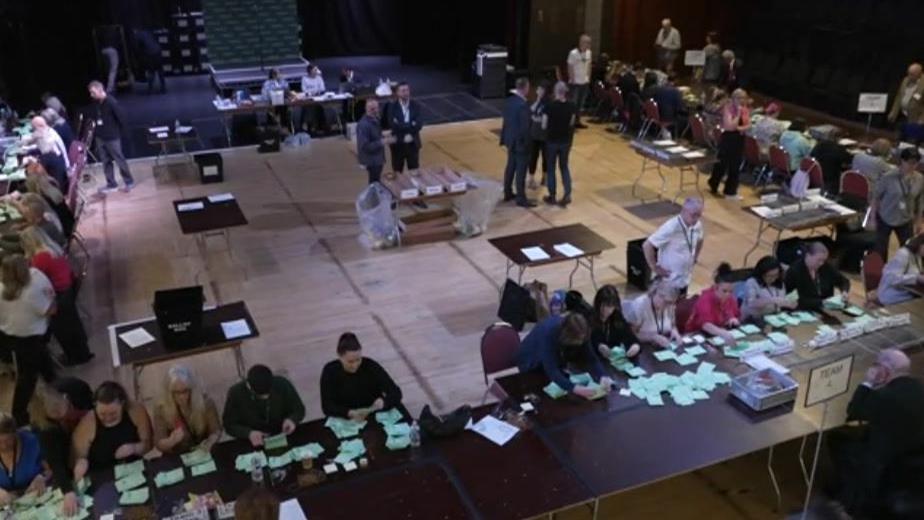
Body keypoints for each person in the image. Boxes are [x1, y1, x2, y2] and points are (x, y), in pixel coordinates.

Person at [827, 349, 924, 514]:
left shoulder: (884, 397)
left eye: (876, 366)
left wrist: (867, 383)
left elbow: (854, 412)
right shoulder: (919, 388)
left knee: (836, 438)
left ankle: (848, 494)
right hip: (916, 456)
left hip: (886, 460)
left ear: (884, 371)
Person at [20, 227, 92, 366]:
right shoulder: (52, 248)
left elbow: (33, 278)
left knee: (59, 327)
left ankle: (74, 357)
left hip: (60, 295)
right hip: (68, 288)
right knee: (72, 324)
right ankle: (82, 353)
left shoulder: (41, 257)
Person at [0, 255, 56, 425]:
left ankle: (53, 381)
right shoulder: (31, 290)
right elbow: (51, 311)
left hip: (9, 336)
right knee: (27, 379)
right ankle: (19, 415)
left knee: (38, 364)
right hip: (31, 338)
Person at [28, 377, 91, 517]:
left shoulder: (77, 388)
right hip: (67, 456)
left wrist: (85, 457)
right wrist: (68, 492)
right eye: (59, 417)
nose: (67, 415)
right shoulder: (44, 428)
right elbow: (56, 462)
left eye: (68, 408)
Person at [517, 313, 613, 398]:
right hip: (530, 362)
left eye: (582, 339)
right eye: (577, 340)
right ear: (567, 335)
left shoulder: (582, 332)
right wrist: (574, 388)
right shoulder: (548, 333)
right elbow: (552, 370)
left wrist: (603, 375)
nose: (580, 343)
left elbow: (591, 357)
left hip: (553, 358)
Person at [72, 381, 152, 477]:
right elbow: (77, 457)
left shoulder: (136, 411)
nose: (108, 418)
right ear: (95, 406)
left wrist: (135, 448)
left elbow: (149, 444)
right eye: (102, 414)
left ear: (122, 404)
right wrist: (80, 464)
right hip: (101, 474)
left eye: (113, 413)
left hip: (133, 469)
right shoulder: (87, 424)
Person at [320, 332, 405, 421]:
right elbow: (327, 406)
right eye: (350, 362)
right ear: (340, 356)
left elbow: (396, 392)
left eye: (358, 360)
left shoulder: (371, 366)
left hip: (372, 416)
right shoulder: (330, 371)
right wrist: (348, 412)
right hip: (346, 418)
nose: (355, 365)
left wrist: (384, 402)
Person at [223, 365, 305, 447]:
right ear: (249, 386)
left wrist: (292, 420)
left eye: (268, 394)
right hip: (252, 441)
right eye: (260, 396)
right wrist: (248, 433)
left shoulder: (282, 384)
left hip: (282, 434)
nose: (266, 398)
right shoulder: (236, 393)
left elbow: (299, 409)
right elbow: (229, 425)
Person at [152, 365, 221, 455]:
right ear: (169, 393)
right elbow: (159, 443)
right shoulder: (161, 408)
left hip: (203, 451)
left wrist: (210, 442)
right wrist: (171, 441)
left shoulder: (206, 402)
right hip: (176, 455)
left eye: (185, 391)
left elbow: (216, 430)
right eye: (176, 392)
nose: (182, 397)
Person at [870, 147, 924, 260]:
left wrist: (919, 221)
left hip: (906, 219)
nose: (912, 166)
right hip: (886, 217)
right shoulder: (888, 177)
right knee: (880, 249)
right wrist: (873, 218)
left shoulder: (920, 179)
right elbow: (875, 197)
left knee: (908, 249)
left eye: (915, 163)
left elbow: (920, 201)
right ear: (902, 161)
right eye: (909, 163)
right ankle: (881, 272)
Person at [643, 197, 704, 294]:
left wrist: (695, 257)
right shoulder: (671, 227)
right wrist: (654, 267)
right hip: (669, 281)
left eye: (699, 215)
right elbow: (647, 245)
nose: (696, 219)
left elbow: (700, 239)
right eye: (693, 215)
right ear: (684, 210)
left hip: (684, 279)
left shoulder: (697, 225)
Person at [88, 81, 134, 194]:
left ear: (100, 90)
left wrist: (125, 135)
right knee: (105, 162)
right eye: (90, 93)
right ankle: (111, 183)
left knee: (119, 160)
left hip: (112, 138)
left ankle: (129, 181)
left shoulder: (111, 102)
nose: (91, 95)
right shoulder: (97, 102)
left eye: (93, 92)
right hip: (100, 137)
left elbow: (121, 119)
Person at [708, 88, 750, 199]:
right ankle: (714, 183)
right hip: (728, 138)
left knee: (735, 166)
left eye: (744, 98)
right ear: (734, 98)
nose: (743, 100)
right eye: (740, 98)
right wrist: (738, 114)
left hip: (739, 139)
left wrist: (738, 127)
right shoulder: (728, 108)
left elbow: (748, 125)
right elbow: (728, 126)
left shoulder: (745, 109)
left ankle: (730, 191)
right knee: (722, 163)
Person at [685, 263, 742, 345]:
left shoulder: (731, 299)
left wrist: (733, 319)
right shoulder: (705, 299)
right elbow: (706, 325)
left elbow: (735, 314)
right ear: (716, 287)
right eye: (724, 291)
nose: (728, 295)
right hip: (698, 335)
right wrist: (723, 333)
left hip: (717, 337)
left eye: (731, 291)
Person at [784, 241, 850, 311]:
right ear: (808, 255)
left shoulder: (825, 267)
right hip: (805, 310)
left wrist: (844, 291)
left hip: (828, 308)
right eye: (818, 260)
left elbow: (843, 281)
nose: (821, 263)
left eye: (823, 260)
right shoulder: (794, 271)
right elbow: (793, 299)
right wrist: (821, 302)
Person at [542, 81, 577, 207]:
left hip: (552, 141)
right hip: (565, 141)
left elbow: (544, 125)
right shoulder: (572, 106)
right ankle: (567, 194)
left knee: (551, 168)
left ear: (555, 91)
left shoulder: (549, 106)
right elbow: (572, 123)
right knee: (564, 167)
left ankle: (552, 195)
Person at [500, 77, 535, 207]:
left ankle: (507, 192)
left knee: (510, 167)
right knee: (521, 170)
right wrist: (528, 144)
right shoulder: (523, 106)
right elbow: (525, 129)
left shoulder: (509, 101)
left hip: (510, 140)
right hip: (521, 143)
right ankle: (521, 197)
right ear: (525, 88)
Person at [0, 413, 47, 505]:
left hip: (37, 498)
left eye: (8, 440)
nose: (4, 446)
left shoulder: (31, 441)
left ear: (15, 433)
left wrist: (41, 477)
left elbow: (52, 467)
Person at [24, 163, 74, 239]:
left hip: (63, 231)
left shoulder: (44, 197)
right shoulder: (50, 182)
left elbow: (38, 217)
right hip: (68, 223)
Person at [628, 279, 682, 349]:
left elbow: (673, 325)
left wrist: (675, 331)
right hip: (642, 347)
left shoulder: (670, 305)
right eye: (667, 302)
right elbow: (631, 335)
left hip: (663, 345)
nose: (669, 306)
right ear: (657, 294)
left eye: (672, 303)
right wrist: (652, 337)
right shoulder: (640, 305)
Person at [742, 256, 796, 324]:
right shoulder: (752, 282)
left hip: (774, 319)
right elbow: (751, 303)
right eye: (769, 276)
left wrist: (788, 303)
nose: (773, 279)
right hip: (753, 320)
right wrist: (771, 300)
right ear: (762, 274)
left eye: (776, 275)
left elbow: (781, 302)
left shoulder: (780, 283)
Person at [591, 285, 641, 358]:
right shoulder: (589, 318)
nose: (605, 310)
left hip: (613, 359)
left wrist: (635, 346)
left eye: (610, 306)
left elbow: (629, 335)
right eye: (603, 305)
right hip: (597, 358)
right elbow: (589, 343)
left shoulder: (617, 317)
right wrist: (599, 346)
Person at [384, 82, 423, 173]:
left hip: (413, 145)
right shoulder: (391, 107)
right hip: (397, 145)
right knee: (397, 173)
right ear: (397, 93)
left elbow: (419, 124)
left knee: (414, 173)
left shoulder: (416, 105)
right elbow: (392, 125)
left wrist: (402, 125)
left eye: (407, 90)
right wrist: (410, 125)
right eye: (403, 91)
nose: (406, 93)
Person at [877, 233, 924, 304]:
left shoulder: (917, 256)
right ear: (920, 244)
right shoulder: (903, 254)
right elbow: (892, 279)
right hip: (892, 296)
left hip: (905, 293)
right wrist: (916, 278)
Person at [356, 99, 392, 185]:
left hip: (377, 159)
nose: (375, 111)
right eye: (372, 109)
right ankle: (373, 198)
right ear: (367, 109)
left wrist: (384, 135)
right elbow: (365, 146)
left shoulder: (376, 119)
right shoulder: (363, 125)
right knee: (374, 184)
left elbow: (375, 135)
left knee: (376, 182)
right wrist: (382, 142)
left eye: (376, 108)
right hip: (372, 161)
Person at [811, 129, 853, 195]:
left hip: (816, 173)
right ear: (839, 138)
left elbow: (812, 155)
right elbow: (849, 161)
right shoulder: (840, 149)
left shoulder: (820, 144)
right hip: (831, 178)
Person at [888, 63, 924, 132]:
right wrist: (893, 112)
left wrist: (922, 119)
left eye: (912, 74)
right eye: (909, 73)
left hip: (915, 119)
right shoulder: (905, 80)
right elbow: (899, 97)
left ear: (919, 74)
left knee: (910, 139)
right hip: (902, 115)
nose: (909, 76)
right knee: (899, 136)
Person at [527, 81, 549, 190]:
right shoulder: (534, 101)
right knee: (533, 157)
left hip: (545, 136)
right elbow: (530, 113)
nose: (538, 91)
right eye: (538, 89)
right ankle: (531, 178)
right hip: (534, 134)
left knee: (546, 157)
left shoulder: (548, 104)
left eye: (541, 89)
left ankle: (545, 177)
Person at [567, 34, 592, 128]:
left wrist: (588, 77)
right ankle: (570, 121)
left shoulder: (589, 53)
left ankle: (577, 121)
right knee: (573, 102)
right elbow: (570, 66)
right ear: (581, 42)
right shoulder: (573, 53)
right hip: (575, 82)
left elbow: (589, 65)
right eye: (587, 42)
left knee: (580, 103)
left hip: (584, 82)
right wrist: (572, 79)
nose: (589, 45)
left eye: (589, 43)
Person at [299, 65, 326, 134]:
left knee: (319, 108)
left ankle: (320, 126)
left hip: (318, 98)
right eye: (315, 70)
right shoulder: (304, 79)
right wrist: (312, 92)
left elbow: (322, 88)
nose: (316, 71)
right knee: (310, 107)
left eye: (316, 70)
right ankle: (309, 126)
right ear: (310, 71)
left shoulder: (319, 78)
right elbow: (304, 90)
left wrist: (316, 92)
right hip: (308, 99)